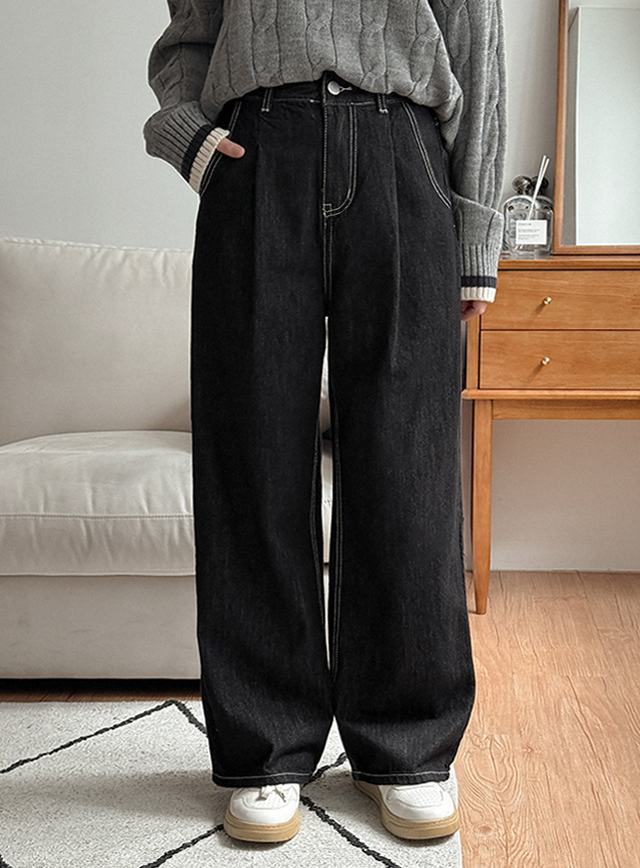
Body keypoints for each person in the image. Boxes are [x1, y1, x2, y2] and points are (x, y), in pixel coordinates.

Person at [144, 0, 506, 845]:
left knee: (408, 464)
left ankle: (408, 747)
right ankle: (265, 747)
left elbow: (478, 48)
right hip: (257, 152)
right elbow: (189, 33)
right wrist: (190, 136)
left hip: (403, 150)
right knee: (252, 456)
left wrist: (477, 233)